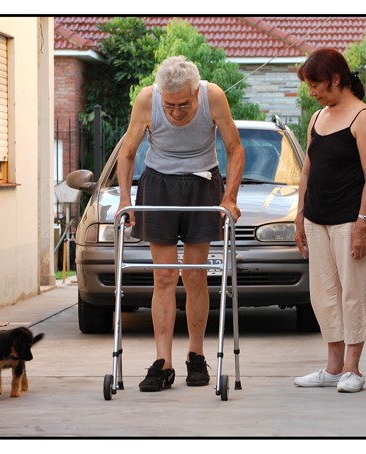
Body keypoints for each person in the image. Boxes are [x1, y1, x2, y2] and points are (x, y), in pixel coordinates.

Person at [116, 55, 244, 392]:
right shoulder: (147, 99)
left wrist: (229, 197)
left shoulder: (213, 95)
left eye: (183, 104)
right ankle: (163, 363)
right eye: (169, 105)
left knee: (194, 273)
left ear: (196, 93)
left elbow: (234, 148)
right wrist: (125, 200)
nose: (175, 112)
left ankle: (196, 356)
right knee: (164, 276)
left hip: (202, 183)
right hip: (159, 183)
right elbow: (128, 151)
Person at [293, 48, 366, 393]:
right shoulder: (317, 119)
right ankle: (332, 368)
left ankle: (352, 370)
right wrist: (300, 216)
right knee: (324, 294)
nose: (311, 91)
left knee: (353, 293)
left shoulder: (363, 117)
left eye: (315, 84)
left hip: (350, 220)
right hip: (317, 219)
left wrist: (362, 223)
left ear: (335, 79)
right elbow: (307, 169)